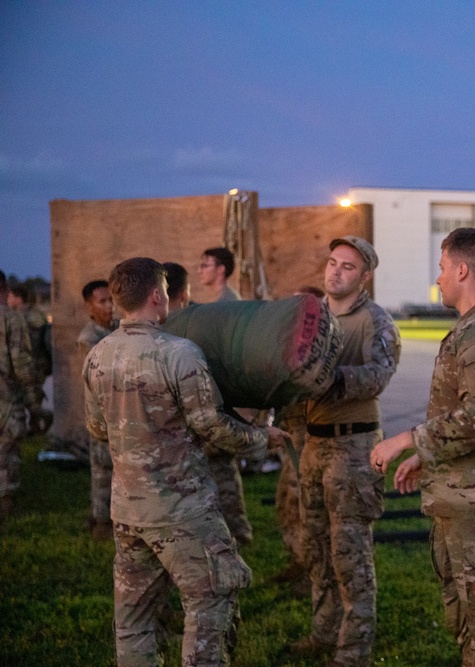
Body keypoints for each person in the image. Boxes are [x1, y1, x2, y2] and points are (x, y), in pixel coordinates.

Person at [83, 257, 289, 666]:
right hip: (182, 510)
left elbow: (97, 427)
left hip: (127, 511)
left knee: (134, 619)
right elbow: (210, 425)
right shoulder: (180, 354)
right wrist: (261, 440)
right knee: (210, 603)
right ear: (158, 296)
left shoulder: (98, 355)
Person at [371, 227, 475, 666]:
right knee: (467, 627)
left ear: (462, 270)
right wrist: (427, 456)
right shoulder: (470, 329)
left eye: (442, 268)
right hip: (460, 503)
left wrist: (408, 440)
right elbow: (459, 414)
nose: (438, 278)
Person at [292, 238, 400, 665]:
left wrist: (330, 378)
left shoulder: (375, 321)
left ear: (365, 276)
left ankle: (353, 651)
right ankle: (323, 631)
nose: (335, 272)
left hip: (354, 448)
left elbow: (379, 374)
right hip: (313, 444)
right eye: (332, 263)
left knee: (350, 553)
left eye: (348, 267)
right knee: (315, 545)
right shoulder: (310, 315)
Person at [165, 259, 257, 547]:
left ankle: (234, 535)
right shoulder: (202, 320)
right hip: (210, 418)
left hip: (195, 426)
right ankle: (233, 535)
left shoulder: (162, 331)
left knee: (220, 480)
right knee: (220, 480)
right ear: (184, 292)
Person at [273, 284, 327, 587]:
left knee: (305, 506)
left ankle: (311, 573)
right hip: (292, 439)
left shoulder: (320, 347)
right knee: (286, 502)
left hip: (312, 441)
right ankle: (297, 562)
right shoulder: (291, 343)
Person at [76, 279, 119, 538]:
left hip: (119, 412)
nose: (109, 306)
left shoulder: (117, 329)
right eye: (102, 301)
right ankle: (102, 522)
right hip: (102, 414)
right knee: (103, 469)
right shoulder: (89, 338)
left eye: (111, 300)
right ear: (89, 307)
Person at [0, 270, 39, 522]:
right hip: (5, 396)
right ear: (4, 289)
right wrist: (33, 401)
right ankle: (5, 504)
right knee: (6, 447)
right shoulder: (11, 319)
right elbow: (22, 364)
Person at [7, 284, 52, 434]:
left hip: (33, 363)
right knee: (32, 397)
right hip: (36, 362)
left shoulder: (24, 316)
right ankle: (35, 428)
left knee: (31, 399)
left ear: (18, 298)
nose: (9, 300)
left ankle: (40, 423)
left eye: (11, 297)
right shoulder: (35, 313)